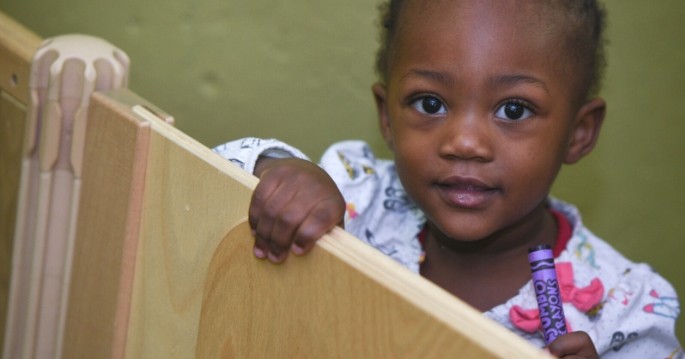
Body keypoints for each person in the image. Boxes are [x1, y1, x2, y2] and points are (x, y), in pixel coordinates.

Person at [213, 0, 683, 357]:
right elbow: (199, 187)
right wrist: (280, 175)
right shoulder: (354, 201)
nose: (464, 142)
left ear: (578, 134)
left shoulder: (626, 306)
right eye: (430, 104)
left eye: (513, 110)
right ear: (386, 117)